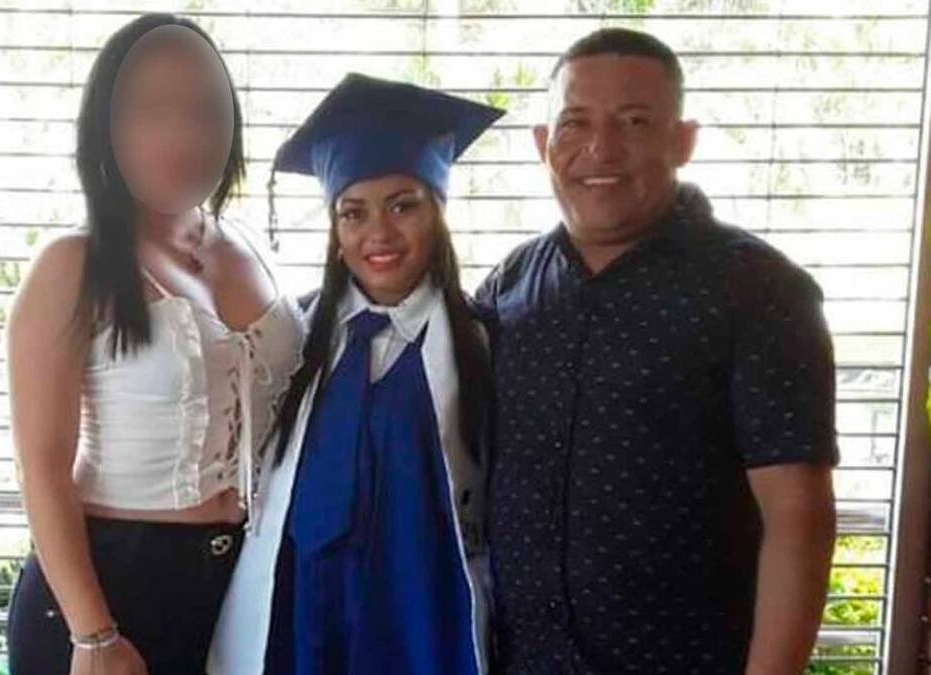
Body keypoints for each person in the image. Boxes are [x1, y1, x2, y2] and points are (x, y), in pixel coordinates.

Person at [475, 28, 839, 674]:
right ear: (543, 143)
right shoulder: (509, 286)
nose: (601, 148)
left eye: (635, 121)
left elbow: (798, 520)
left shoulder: (759, 289)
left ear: (683, 140)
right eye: (575, 122)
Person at [4, 13, 303, 675]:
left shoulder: (250, 247)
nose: (184, 134)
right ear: (107, 127)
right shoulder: (70, 264)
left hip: (241, 585)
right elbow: (41, 467)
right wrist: (93, 635)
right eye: (153, 110)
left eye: (206, 111)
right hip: (108, 590)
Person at [206, 73, 503, 675]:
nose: (379, 233)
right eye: (353, 212)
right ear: (336, 233)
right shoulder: (293, 337)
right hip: (305, 610)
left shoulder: (484, 345)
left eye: (403, 205)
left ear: (438, 214)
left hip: (423, 613)